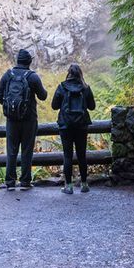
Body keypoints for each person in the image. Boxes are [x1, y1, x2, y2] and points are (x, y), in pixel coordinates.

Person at [0, 48, 46, 189]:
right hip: (29, 120)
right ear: (29, 62)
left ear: (17, 60)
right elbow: (43, 96)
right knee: (26, 150)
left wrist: (10, 108)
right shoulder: (33, 77)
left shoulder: (8, 75)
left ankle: (10, 182)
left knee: (11, 150)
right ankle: (25, 182)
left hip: (11, 120)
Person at [50, 64, 96, 193]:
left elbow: (54, 106)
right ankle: (84, 184)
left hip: (65, 126)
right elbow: (92, 107)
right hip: (82, 126)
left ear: (68, 73)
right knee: (82, 155)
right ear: (80, 73)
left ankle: (68, 186)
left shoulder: (61, 87)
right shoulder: (86, 88)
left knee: (67, 156)